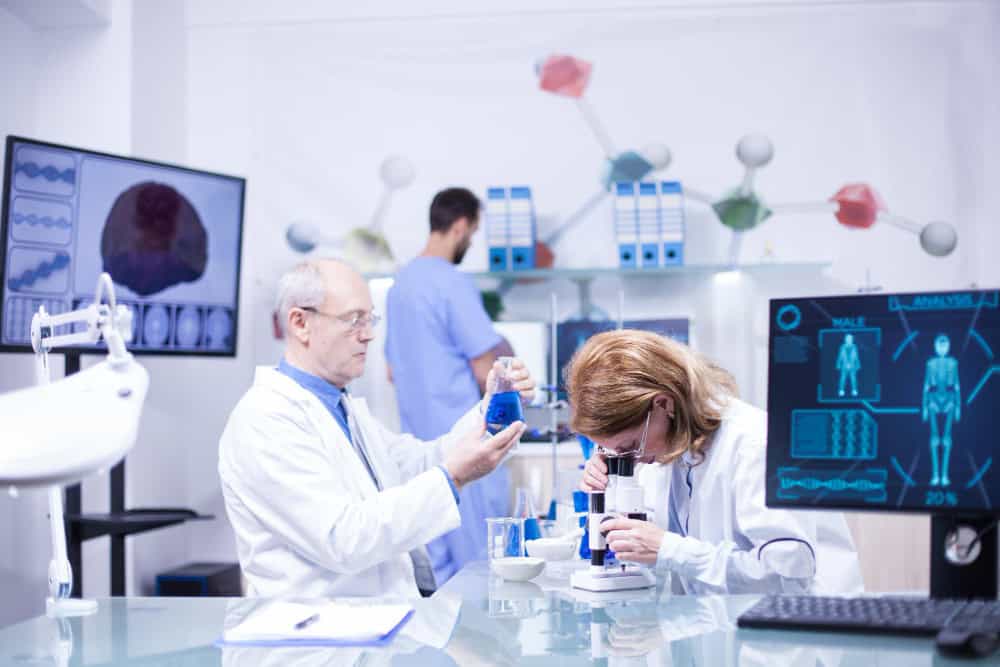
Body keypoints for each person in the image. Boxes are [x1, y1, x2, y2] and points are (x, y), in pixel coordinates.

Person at [218, 259, 533, 599]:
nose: (368, 334)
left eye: (370, 319)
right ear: (300, 323)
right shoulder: (266, 419)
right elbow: (342, 538)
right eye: (354, 320)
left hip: (378, 621)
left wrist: (493, 409)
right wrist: (453, 477)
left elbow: (420, 462)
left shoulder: (342, 408)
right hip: (315, 628)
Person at [572, 330, 863, 595]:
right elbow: (655, 551)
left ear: (664, 404)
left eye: (629, 446)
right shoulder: (668, 448)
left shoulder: (757, 445)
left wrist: (671, 550)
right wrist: (611, 488)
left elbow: (784, 577)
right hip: (716, 623)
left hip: (799, 627)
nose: (631, 458)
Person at [385, 187, 513, 584]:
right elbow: (486, 370)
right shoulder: (451, 283)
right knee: (480, 568)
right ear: (460, 226)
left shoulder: (400, 285)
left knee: (438, 569)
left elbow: (392, 371)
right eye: (472, 233)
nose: (470, 242)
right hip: (463, 442)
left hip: (420, 451)